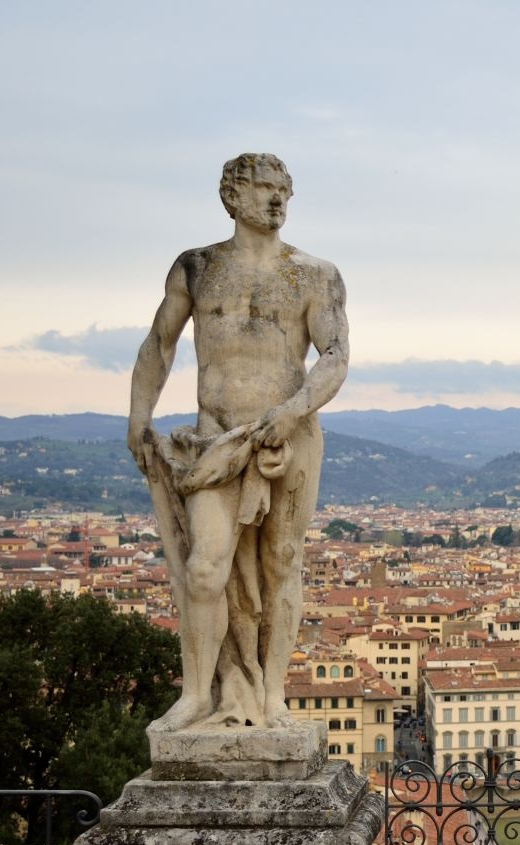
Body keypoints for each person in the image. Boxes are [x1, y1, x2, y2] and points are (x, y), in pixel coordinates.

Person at [127, 153, 349, 731]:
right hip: (213, 441)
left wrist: (291, 411)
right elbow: (160, 343)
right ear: (233, 195)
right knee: (206, 568)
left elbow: (335, 356)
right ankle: (199, 693)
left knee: (282, 562)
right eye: (263, 189)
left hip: (289, 437)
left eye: (284, 191)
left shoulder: (314, 275)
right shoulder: (196, 268)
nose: (276, 200)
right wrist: (138, 415)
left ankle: (272, 697)